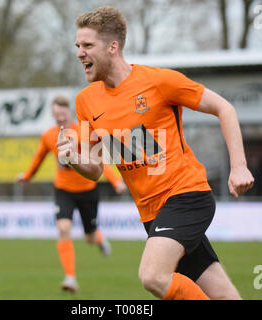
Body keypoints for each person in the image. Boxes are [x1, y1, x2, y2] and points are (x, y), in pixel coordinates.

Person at [56, 6, 255, 300]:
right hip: (152, 214)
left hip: (186, 195)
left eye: (87, 45)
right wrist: (73, 157)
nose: (79, 53)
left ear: (113, 47)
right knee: (222, 294)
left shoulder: (158, 81)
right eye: (77, 46)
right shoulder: (86, 101)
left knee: (153, 276)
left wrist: (239, 166)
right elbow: (95, 168)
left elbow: (224, 108)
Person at [17, 95, 126, 293]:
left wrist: (116, 181)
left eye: (63, 112)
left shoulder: (83, 133)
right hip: (63, 190)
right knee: (63, 227)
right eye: (56, 113)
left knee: (89, 238)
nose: (60, 116)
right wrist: (26, 176)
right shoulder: (48, 136)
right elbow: (38, 159)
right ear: (53, 114)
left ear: (69, 113)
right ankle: (70, 278)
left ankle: (99, 238)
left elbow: (98, 163)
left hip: (88, 191)